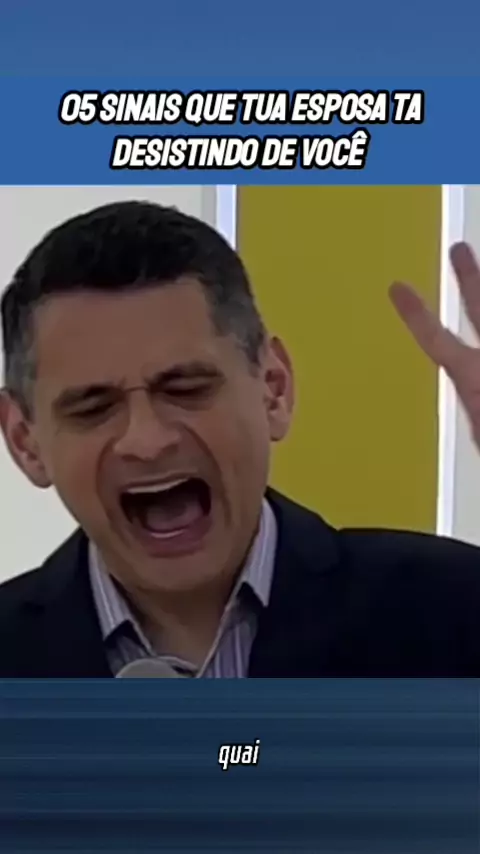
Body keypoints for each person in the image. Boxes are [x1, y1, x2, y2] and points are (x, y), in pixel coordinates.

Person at [0, 200, 479, 678]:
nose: (147, 441)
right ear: (25, 442)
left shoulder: (456, 608)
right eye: (93, 409)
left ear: (273, 390)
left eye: (186, 389)